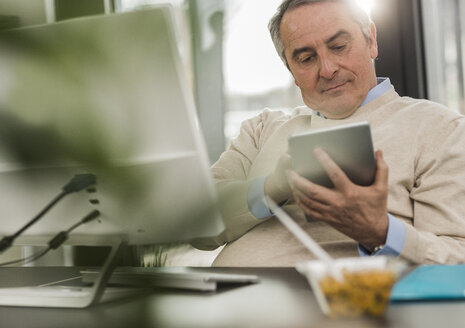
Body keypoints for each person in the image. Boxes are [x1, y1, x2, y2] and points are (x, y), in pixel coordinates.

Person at [197, 0, 465, 266]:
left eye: (338, 47)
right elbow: (197, 225)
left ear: (371, 40)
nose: (327, 69)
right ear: (291, 70)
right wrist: (269, 189)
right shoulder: (262, 128)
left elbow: (457, 257)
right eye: (306, 58)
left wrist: (379, 232)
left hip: (339, 300)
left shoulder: (439, 128)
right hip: (222, 296)